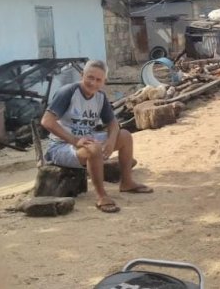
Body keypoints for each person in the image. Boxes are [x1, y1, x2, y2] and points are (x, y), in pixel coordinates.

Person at [40, 60, 152, 214]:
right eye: (90, 77)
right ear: (82, 75)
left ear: (104, 81)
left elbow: (113, 123)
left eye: (98, 80)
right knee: (94, 148)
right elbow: (47, 121)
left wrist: (112, 141)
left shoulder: (100, 97)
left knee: (125, 135)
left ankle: (126, 182)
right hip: (60, 146)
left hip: (87, 139)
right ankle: (101, 195)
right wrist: (74, 141)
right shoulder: (68, 92)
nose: (93, 83)